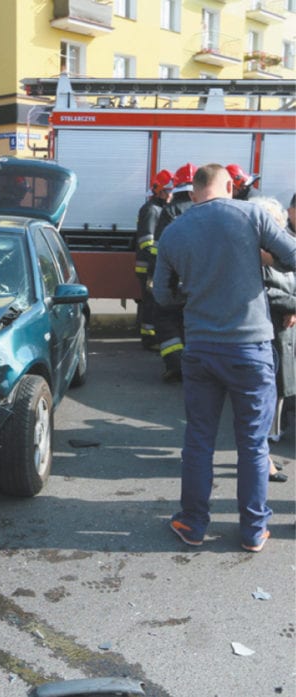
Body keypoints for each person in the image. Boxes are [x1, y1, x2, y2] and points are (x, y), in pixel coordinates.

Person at [153, 164, 296, 552]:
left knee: (199, 440)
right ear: (230, 186)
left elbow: (162, 296)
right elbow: (293, 256)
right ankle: (253, 530)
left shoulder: (174, 230)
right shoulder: (252, 215)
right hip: (251, 348)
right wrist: (267, 261)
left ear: (193, 192)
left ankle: (192, 523)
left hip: (201, 348)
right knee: (253, 444)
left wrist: (194, 294)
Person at [253, 196, 296, 486]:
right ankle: (262, 459)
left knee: (276, 394)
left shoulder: (276, 252)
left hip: (282, 332)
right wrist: (293, 305)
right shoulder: (255, 255)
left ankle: (264, 455)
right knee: (265, 396)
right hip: (267, 333)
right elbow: (264, 292)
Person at [153, 163, 196, 381]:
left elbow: (159, 248)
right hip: (199, 279)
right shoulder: (204, 209)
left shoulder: (169, 211)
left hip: (174, 278)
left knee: (165, 317)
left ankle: (175, 364)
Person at [135, 169, 173, 350]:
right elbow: (146, 242)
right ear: (159, 191)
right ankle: (149, 339)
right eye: (168, 191)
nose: (171, 194)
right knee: (151, 303)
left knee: (152, 302)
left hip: (153, 265)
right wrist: (159, 262)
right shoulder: (151, 210)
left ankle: (152, 336)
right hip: (148, 266)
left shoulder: (160, 209)